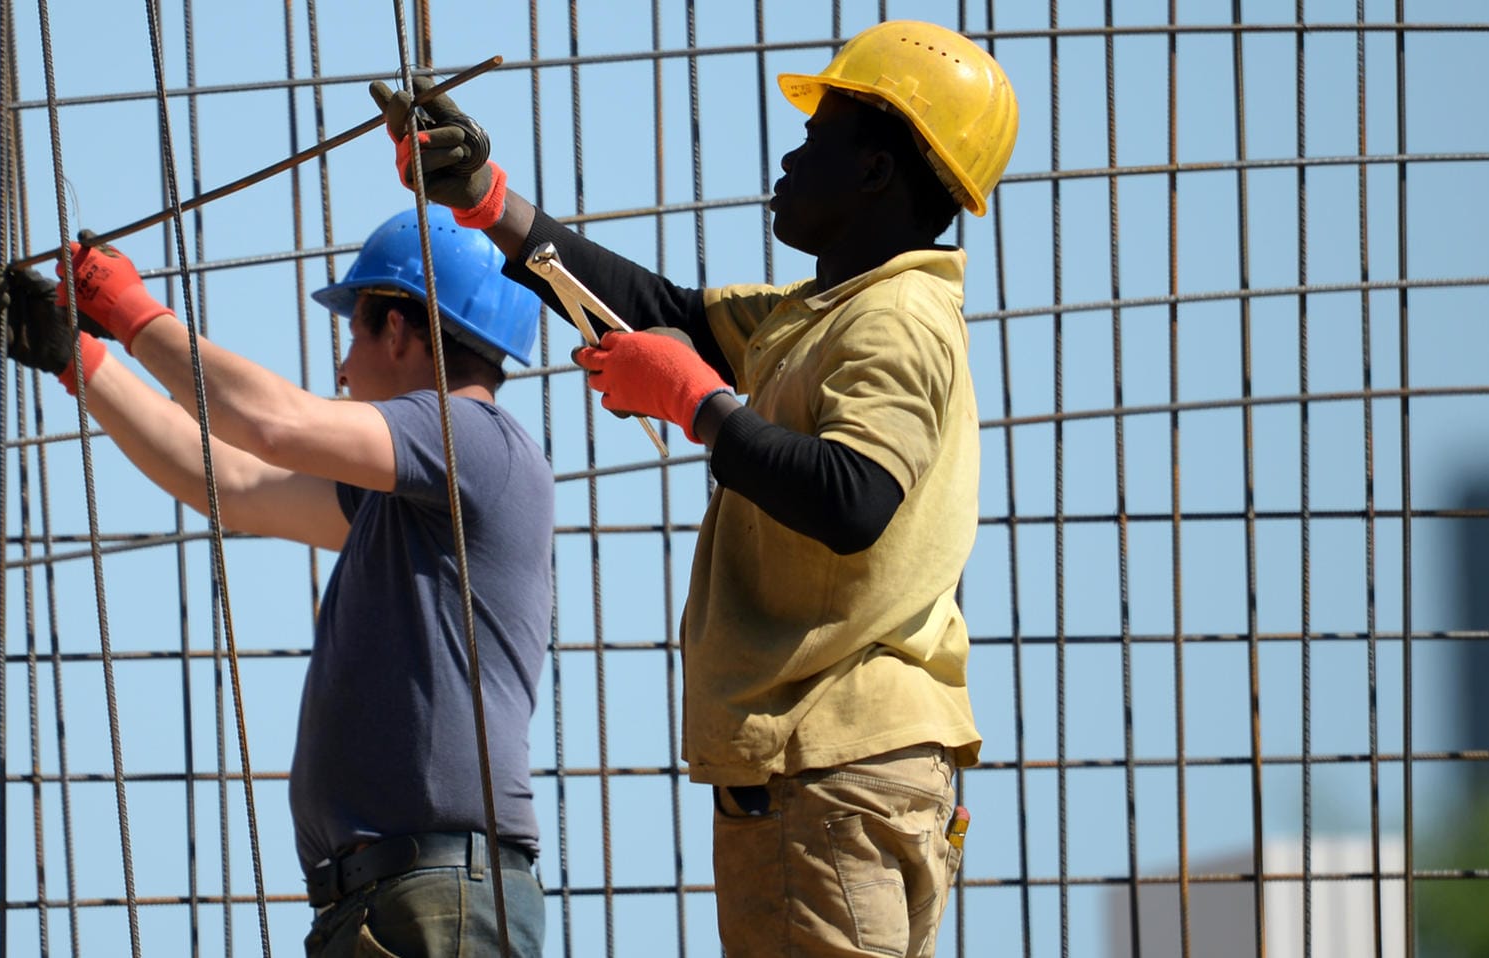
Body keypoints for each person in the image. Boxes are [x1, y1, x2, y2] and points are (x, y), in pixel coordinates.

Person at [372, 19, 1017, 958]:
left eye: (816, 139)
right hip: (840, 770)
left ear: (876, 171)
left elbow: (853, 499)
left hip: (830, 764)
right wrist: (488, 200)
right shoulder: (824, 313)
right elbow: (665, 314)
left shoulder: (894, 320)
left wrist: (699, 405)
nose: (788, 159)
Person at [0, 206, 553, 957]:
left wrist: (132, 312)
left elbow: (273, 425)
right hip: (392, 900)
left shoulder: (472, 440)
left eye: (354, 330)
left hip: (435, 892)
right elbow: (236, 481)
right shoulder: (412, 491)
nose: (343, 367)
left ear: (401, 331)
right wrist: (79, 360)